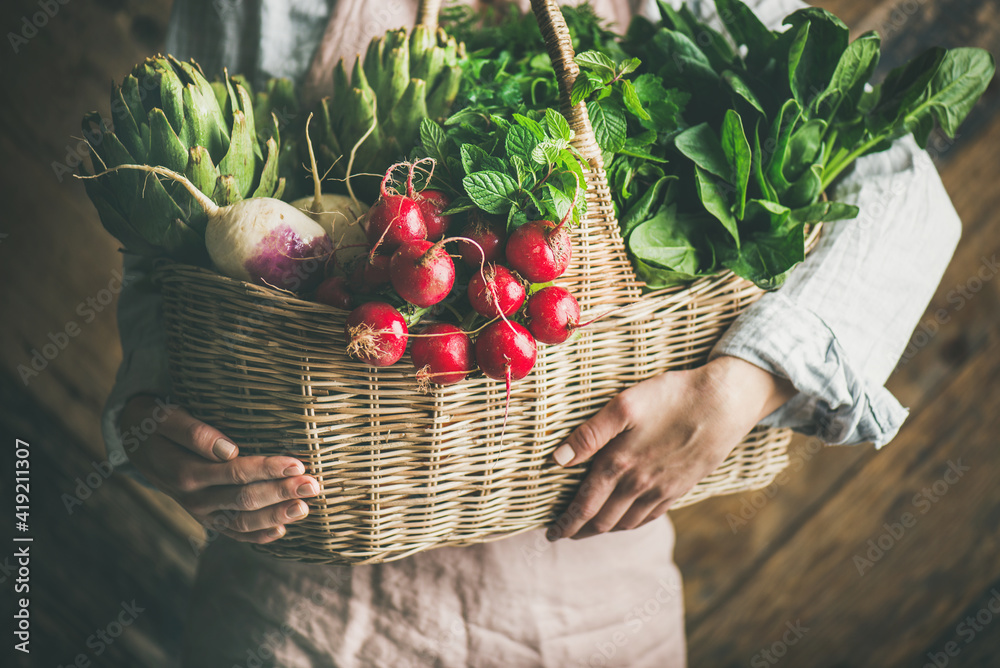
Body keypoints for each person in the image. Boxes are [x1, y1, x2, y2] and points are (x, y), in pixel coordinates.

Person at [105, 0, 962, 665]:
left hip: (590, 592)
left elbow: (899, 186)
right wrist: (150, 423)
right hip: (298, 602)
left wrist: (742, 382)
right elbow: (168, 257)